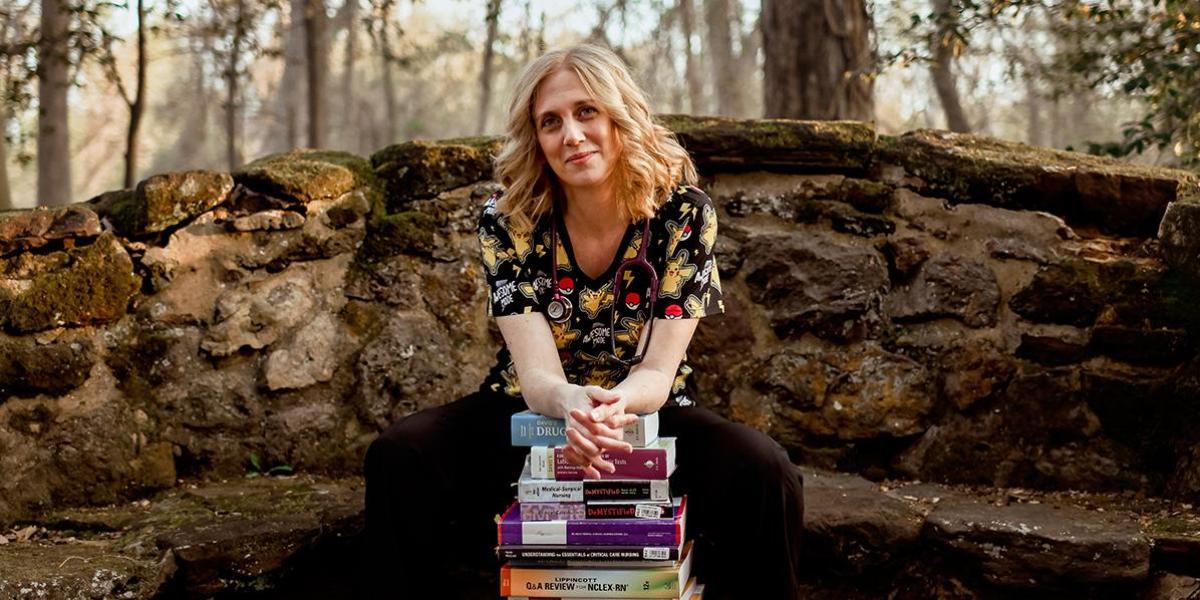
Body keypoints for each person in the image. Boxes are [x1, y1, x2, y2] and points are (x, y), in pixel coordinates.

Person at [362, 44, 803, 600]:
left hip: (649, 413)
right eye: (551, 121)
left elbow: (658, 371)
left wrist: (611, 409)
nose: (571, 135)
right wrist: (571, 403)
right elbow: (536, 376)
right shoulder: (507, 220)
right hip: (528, 414)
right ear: (536, 138)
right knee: (400, 455)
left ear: (620, 114)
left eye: (586, 111)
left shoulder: (684, 214)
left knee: (767, 472)